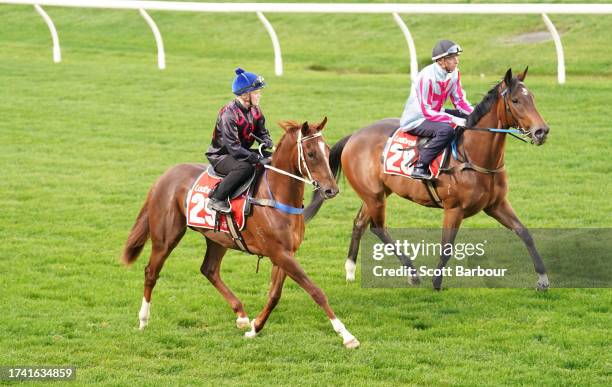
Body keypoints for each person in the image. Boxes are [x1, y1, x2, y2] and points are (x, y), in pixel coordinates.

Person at [399, 40, 474, 180]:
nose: (456, 61)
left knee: (469, 118)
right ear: (441, 61)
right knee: (446, 130)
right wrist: (453, 120)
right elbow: (427, 111)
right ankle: (420, 165)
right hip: (417, 118)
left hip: (436, 112)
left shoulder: (454, 73)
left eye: (456, 57)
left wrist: (475, 113)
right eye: (452, 58)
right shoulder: (426, 78)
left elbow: (460, 101)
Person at [206, 68, 274, 213]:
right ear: (245, 94)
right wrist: (255, 157)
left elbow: (261, 131)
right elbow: (233, 148)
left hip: (242, 152)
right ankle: (217, 198)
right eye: (256, 92)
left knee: (275, 158)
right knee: (245, 167)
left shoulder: (255, 110)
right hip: (222, 156)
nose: (259, 95)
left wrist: (266, 140)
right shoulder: (228, 114)